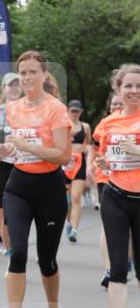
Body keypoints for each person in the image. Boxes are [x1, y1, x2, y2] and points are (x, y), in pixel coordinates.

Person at [0, 51, 71, 308]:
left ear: (44, 75)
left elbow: (63, 155)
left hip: (50, 188)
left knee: (47, 259)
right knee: (16, 253)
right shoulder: (13, 109)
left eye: (32, 72)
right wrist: (8, 151)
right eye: (22, 73)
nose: (27, 78)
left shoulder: (56, 109)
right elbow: (13, 146)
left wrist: (28, 145)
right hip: (18, 185)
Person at [93, 64, 140, 308]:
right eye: (128, 86)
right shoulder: (107, 124)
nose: (134, 92)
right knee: (118, 267)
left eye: (139, 87)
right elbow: (104, 158)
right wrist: (102, 164)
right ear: (118, 90)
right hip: (115, 196)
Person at [92, 93, 124, 287]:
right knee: (108, 225)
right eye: (114, 103)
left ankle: (124, 261)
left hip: (130, 181)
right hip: (106, 178)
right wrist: (91, 164)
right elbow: (94, 148)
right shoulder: (104, 124)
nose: (117, 105)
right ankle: (110, 269)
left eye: (119, 102)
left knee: (126, 228)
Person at [0, 72, 22, 254]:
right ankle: (10, 250)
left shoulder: (30, 110)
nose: (15, 87)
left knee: (17, 213)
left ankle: (16, 248)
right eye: (11, 84)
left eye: (17, 84)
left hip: (22, 165)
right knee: (3, 213)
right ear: (4, 88)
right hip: (1, 165)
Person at [63, 100, 92, 243]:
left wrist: (86, 150)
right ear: (68, 111)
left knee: (75, 197)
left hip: (79, 163)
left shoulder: (85, 127)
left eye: (77, 111)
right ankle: (68, 222)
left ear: (81, 112)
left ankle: (74, 229)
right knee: (65, 200)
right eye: (72, 111)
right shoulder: (63, 125)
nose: (74, 114)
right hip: (65, 163)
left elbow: (89, 144)